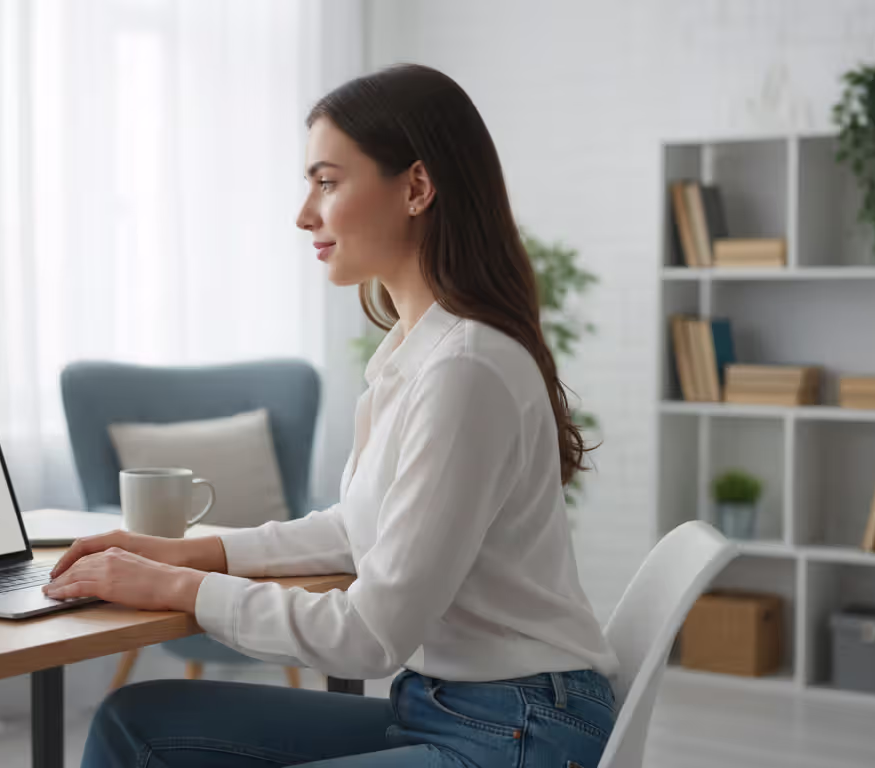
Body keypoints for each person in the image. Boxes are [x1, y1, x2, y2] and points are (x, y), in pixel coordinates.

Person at [44, 63, 619, 768]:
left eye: (327, 182)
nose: (304, 214)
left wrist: (176, 588)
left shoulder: (465, 370)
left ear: (416, 188)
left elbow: (370, 636)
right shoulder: (418, 352)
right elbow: (357, 527)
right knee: (134, 723)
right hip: (450, 708)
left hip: (520, 730)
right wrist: (188, 552)